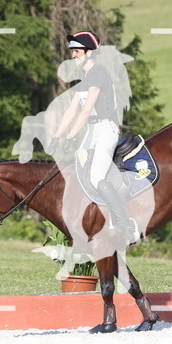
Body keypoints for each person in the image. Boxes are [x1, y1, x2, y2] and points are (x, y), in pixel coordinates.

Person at [48, 31, 139, 246]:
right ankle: (95, 221)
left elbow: (86, 110)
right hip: (92, 131)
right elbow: (71, 110)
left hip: (106, 129)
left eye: (77, 52)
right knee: (79, 170)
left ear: (89, 53)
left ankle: (126, 225)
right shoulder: (86, 79)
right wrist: (57, 136)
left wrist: (70, 137)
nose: (73, 56)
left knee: (97, 177)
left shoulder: (98, 75)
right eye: (73, 52)